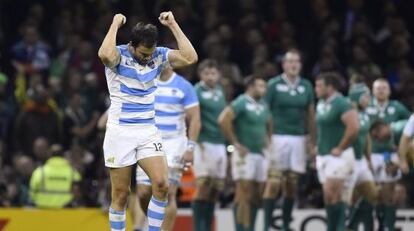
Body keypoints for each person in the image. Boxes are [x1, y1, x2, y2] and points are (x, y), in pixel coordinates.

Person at [98, 12, 198, 231]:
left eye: (150, 53)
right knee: (121, 194)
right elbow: (104, 54)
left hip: (147, 131)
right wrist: (115, 23)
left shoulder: (158, 56)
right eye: (143, 53)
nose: (147, 58)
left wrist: (173, 24)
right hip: (120, 131)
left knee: (162, 185)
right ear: (132, 45)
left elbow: (190, 58)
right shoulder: (119, 56)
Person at [134, 66, 201, 231]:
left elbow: (195, 118)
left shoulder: (184, 86)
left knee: (168, 191)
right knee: (143, 192)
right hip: (148, 141)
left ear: (172, 63)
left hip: (174, 143)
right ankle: (155, 225)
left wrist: (190, 148)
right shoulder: (146, 82)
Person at [264, 49, 315, 231]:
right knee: (273, 183)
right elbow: (265, 112)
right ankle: (265, 226)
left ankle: (285, 225)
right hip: (277, 137)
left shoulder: (307, 86)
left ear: (300, 65)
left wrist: (312, 141)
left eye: (296, 61)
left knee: (291, 185)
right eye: (290, 61)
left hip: (299, 138)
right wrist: (267, 138)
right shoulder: (273, 84)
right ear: (284, 64)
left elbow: (310, 116)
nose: (293, 65)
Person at [219, 76, 271, 231]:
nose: (264, 89)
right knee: (243, 193)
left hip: (260, 154)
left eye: (264, 86)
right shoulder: (241, 102)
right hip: (244, 155)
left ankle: (251, 227)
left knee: (256, 195)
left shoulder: (263, 105)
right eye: (260, 86)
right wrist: (235, 143)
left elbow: (268, 124)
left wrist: (268, 142)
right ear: (250, 87)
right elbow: (223, 120)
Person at [315, 72, 359, 231]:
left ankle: (337, 228)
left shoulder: (342, 103)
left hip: (339, 156)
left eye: (320, 86)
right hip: (323, 154)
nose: (316, 89)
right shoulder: (321, 104)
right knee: (329, 196)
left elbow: (354, 126)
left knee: (333, 193)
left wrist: (341, 146)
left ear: (330, 87)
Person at [365, 78, 410, 231]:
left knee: (389, 194)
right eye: (378, 88)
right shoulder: (366, 107)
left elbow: (409, 127)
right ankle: (375, 226)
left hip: (390, 155)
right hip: (369, 155)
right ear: (372, 91)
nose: (381, 91)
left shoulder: (397, 107)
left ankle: (388, 227)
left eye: (384, 88)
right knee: (373, 195)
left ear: (389, 91)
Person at [192, 59, 227, 231]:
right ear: (201, 75)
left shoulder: (220, 91)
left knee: (215, 188)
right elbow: (191, 117)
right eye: (207, 73)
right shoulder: (196, 91)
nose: (210, 77)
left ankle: (207, 226)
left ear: (218, 75)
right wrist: (196, 141)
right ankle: (199, 228)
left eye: (213, 73)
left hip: (219, 142)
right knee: (203, 186)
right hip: (204, 143)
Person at [346, 75, 378, 231]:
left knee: (373, 196)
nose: (368, 100)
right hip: (348, 160)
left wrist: (369, 159)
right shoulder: (346, 113)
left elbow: (367, 138)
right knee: (349, 199)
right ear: (357, 97)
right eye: (365, 97)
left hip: (361, 161)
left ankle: (351, 225)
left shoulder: (365, 114)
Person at [29, 144, 81, 208]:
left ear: (49, 155)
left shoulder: (40, 172)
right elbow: (77, 193)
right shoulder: (73, 173)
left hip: (43, 210)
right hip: (66, 211)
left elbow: (32, 193)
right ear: (63, 155)